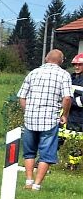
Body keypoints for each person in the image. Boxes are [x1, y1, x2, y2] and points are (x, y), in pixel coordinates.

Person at [17, 49, 73, 191]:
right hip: (49, 120)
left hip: (30, 119)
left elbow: (22, 97)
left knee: (29, 152)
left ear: (46, 59)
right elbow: (67, 97)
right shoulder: (64, 74)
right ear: (61, 61)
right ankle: (37, 185)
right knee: (46, 154)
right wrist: (64, 114)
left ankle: (29, 180)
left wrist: (27, 111)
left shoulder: (33, 73)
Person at [68, 53, 83, 132]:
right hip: (68, 116)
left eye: (80, 64)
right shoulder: (69, 78)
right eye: (75, 64)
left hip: (80, 119)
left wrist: (69, 102)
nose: (76, 67)